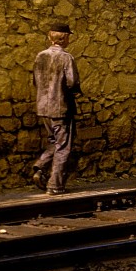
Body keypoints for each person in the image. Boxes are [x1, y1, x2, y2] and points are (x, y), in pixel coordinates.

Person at [32, 23, 80, 195]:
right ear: (65, 37)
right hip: (60, 108)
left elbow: (36, 81)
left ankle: (40, 166)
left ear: (50, 38)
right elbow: (72, 82)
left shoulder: (40, 56)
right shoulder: (66, 58)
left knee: (54, 141)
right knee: (63, 145)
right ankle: (55, 185)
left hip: (43, 107)